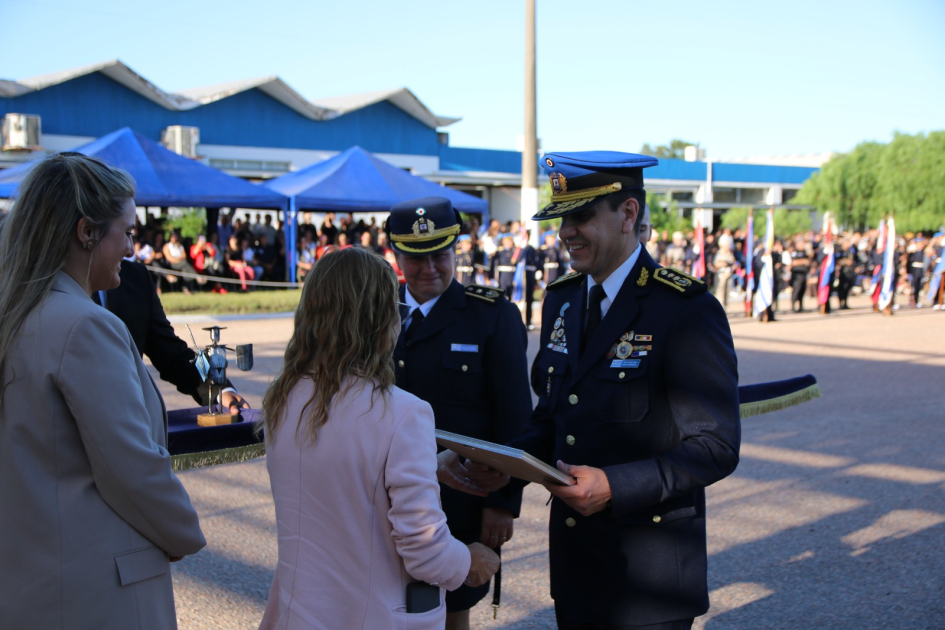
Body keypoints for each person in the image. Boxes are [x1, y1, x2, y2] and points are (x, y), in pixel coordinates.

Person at [467, 151, 740, 629]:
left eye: (581, 216)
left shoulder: (684, 309)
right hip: (577, 569)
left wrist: (616, 485)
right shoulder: (564, 300)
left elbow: (716, 446)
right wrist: (501, 466)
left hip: (650, 579)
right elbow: (551, 417)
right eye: (561, 218)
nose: (566, 231)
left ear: (628, 214)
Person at [0, 153, 206, 628]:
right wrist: (182, 533)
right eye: (127, 232)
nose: (132, 249)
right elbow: (132, 468)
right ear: (86, 232)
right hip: (98, 589)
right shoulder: (86, 327)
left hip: (31, 581)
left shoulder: (18, 318)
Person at [258, 248, 499, 630]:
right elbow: (425, 551)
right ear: (380, 318)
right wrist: (470, 560)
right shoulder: (404, 413)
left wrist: (428, 466)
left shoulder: (282, 398)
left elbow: (332, 479)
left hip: (296, 613)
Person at [388, 197, 532, 630]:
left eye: (441, 255)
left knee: (452, 611)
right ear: (396, 256)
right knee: (384, 601)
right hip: (384, 492)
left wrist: (504, 504)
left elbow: (515, 417)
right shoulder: (376, 311)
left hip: (460, 499)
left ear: (457, 252)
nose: (430, 267)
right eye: (416, 257)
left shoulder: (491, 316)